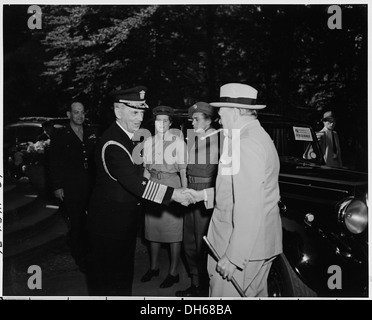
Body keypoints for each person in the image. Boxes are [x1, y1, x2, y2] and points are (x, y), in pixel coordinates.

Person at [85, 86, 192, 296]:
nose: (139, 118)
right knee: (109, 281)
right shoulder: (113, 143)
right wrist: (175, 194)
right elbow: (136, 183)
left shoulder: (127, 138)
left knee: (122, 277)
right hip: (108, 226)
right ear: (118, 111)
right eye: (134, 112)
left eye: (142, 112)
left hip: (121, 221)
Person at [185, 83, 282, 297]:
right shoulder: (257, 137)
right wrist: (202, 195)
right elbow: (240, 192)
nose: (219, 117)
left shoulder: (245, 144)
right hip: (257, 245)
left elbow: (249, 205)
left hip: (239, 249)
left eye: (221, 111)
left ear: (236, 112)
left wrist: (234, 257)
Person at [141, 105, 188, 288]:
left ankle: (174, 272)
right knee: (152, 231)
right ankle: (153, 268)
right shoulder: (148, 142)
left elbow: (183, 172)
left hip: (172, 187)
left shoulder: (178, 143)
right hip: (153, 186)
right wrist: (142, 192)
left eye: (165, 121)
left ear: (170, 123)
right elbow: (146, 170)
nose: (161, 124)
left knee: (173, 232)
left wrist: (184, 193)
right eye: (158, 121)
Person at [175, 102, 219, 297]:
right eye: (192, 119)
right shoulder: (194, 139)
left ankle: (207, 288)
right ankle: (195, 282)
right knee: (190, 241)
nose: (193, 122)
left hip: (206, 193)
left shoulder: (221, 139)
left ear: (209, 120)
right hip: (191, 191)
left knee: (204, 242)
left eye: (197, 119)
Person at [49, 102, 98, 272]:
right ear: (69, 114)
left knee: (92, 221)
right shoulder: (60, 135)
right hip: (71, 186)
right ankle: (81, 258)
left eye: (82, 112)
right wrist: (57, 186)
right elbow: (54, 162)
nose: (80, 116)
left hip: (91, 184)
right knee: (77, 222)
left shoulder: (92, 132)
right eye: (76, 112)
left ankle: (92, 253)